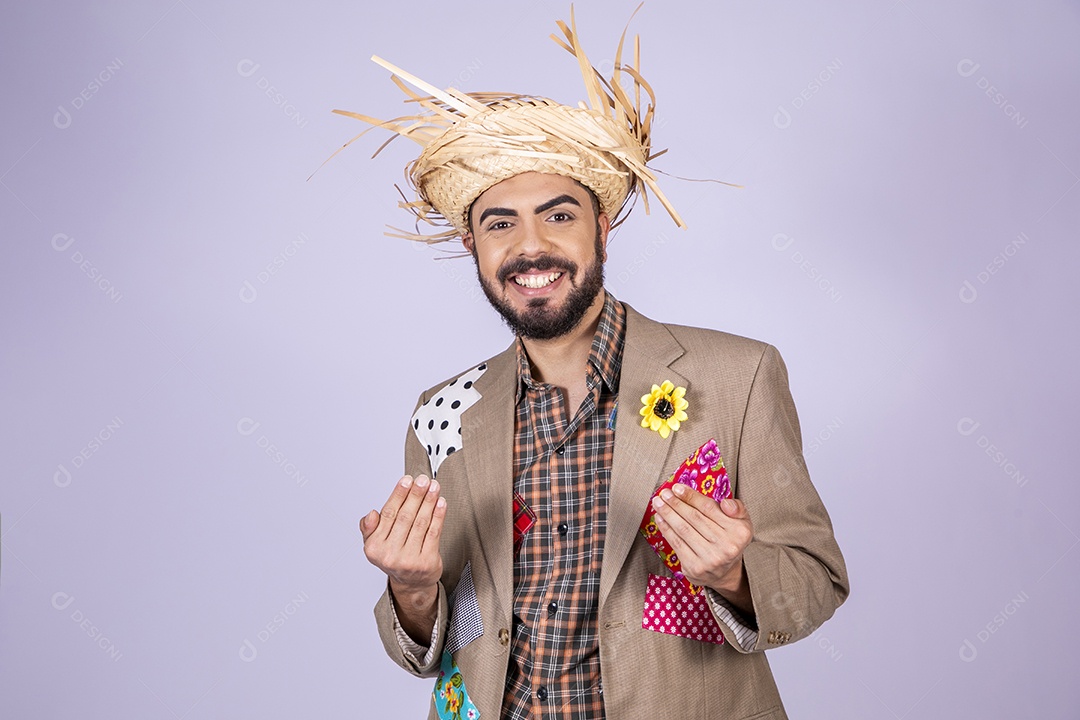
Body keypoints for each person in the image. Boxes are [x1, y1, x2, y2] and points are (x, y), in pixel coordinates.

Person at [343, 10, 848, 719]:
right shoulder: (441, 413)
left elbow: (815, 579)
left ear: (601, 227)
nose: (531, 247)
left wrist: (733, 575)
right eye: (500, 223)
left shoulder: (740, 375)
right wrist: (414, 590)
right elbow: (447, 638)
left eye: (558, 215)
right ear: (473, 246)